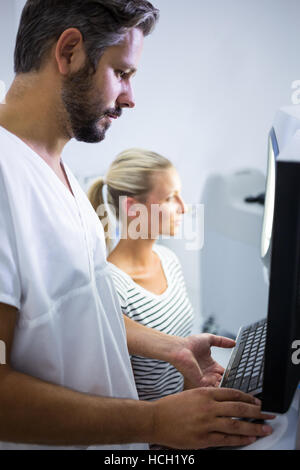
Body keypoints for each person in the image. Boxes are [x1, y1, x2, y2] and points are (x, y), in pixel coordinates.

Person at [0, 0, 274, 451]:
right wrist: (153, 422)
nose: (130, 97)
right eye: (122, 73)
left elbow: (79, 308)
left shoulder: (54, 169)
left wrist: (173, 348)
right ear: (68, 52)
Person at [88, 148, 197, 402]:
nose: (184, 208)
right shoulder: (112, 288)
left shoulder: (168, 260)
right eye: (171, 198)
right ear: (133, 208)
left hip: (188, 407)